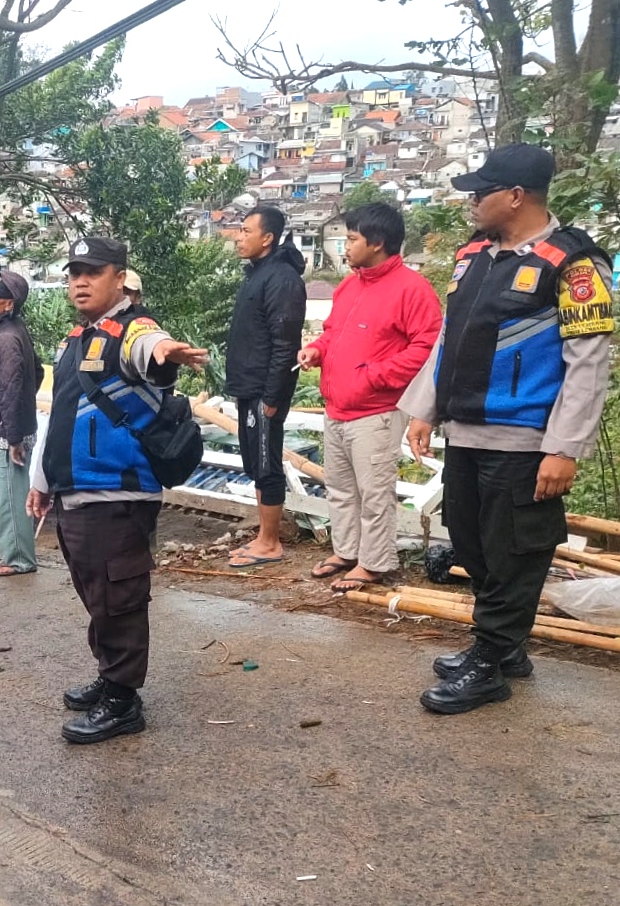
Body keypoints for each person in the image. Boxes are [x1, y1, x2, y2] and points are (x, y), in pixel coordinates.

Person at [402, 143, 614, 714]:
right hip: (468, 431)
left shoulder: (574, 264)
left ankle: (491, 661)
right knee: (473, 542)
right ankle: (506, 644)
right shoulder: (474, 256)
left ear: (516, 196)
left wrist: (565, 447)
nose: (472, 203)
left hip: (525, 440)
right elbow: (451, 339)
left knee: (516, 549)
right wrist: (426, 408)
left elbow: (589, 363)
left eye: (481, 193)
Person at [27, 237, 209, 744]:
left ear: (120, 277)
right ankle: (111, 676)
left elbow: (151, 347)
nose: (80, 281)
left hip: (118, 492)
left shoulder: (134, 329)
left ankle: (124, 701)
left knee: (119, 596)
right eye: (74, 273)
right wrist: (43, 482)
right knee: (97, 593)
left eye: (93, 272)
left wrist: (167, 351)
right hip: (76, 491)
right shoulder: (76, 341)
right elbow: (59, 417)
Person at [297, 203, 441, 592]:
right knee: (341, 487)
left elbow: (427, 347)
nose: (346, 246)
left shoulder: (412, 289)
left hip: (376, 408)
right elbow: (332, 333)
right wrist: (318, 350)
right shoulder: (350, 285)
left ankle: (374, 563)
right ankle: (346, 551)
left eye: (351, 239)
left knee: (375, 491)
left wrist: (376, 375)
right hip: (338, 404)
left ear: (376, 243)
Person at [224, 204, 307, 569]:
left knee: (266, 462)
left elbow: (285, 342)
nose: (239, 238)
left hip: (264, 390)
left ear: (267, 238)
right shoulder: (256, 274)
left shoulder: (282, 279)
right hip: (248, 386)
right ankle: (262, 535)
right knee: (255, 463)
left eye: (246, 231)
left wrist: (274, 395)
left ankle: (271, 542)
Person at [0, 270, 41, 578]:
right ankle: (13, 553)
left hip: (9, 434)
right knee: (9, 492)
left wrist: (13, 436)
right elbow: (37, 373)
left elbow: (11, 388)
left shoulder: (5, 339)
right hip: (17, 426)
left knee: (9, 497)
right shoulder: (16, 330)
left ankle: (18, 559)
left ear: (8, 305)